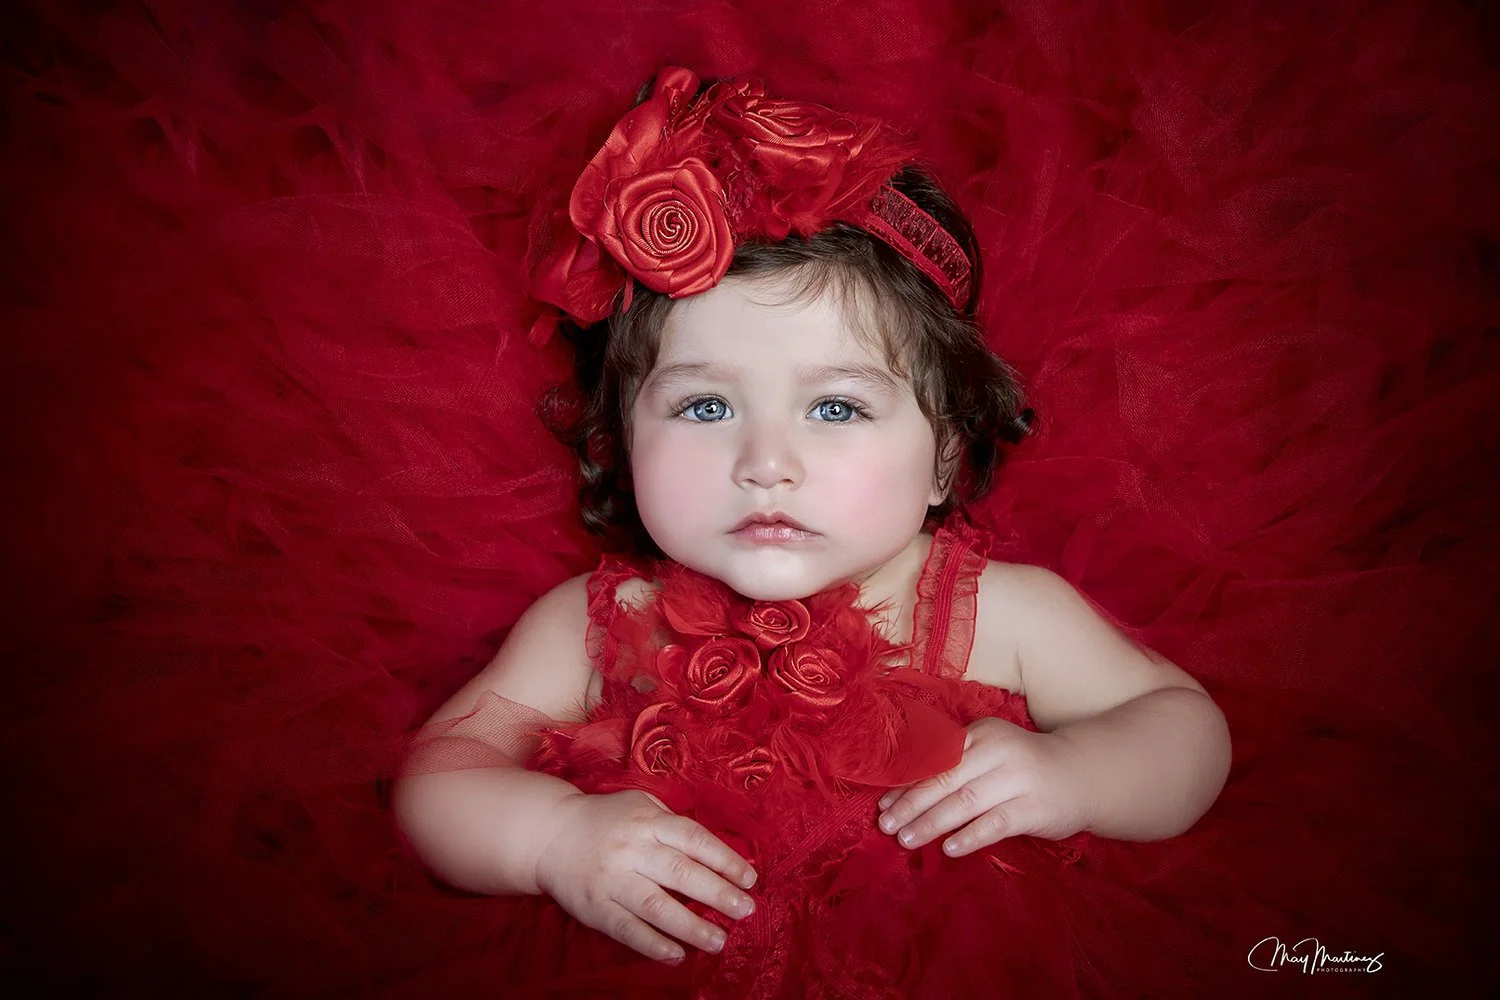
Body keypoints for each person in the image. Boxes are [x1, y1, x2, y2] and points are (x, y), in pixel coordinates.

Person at [391, 67, 1232, 996]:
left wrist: (1080, 772)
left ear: (946, 456)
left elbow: (1185, 727)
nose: (767, 461)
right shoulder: (598, 619)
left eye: (835, 409)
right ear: (623, 438)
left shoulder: (1002, 614)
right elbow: (443, 770)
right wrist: (548, 839)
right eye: (705, 405)